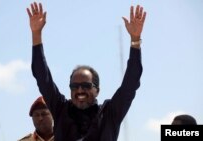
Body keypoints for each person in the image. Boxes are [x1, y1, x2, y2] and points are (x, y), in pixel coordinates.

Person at [27, 1, 146, 141]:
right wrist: (36, 34)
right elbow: (43, 78)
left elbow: (130, 84)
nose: (79, 90)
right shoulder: (61, 110)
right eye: (74, 86)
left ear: (97, 90)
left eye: (86, 85)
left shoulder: (109, 114)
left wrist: (135, 40)